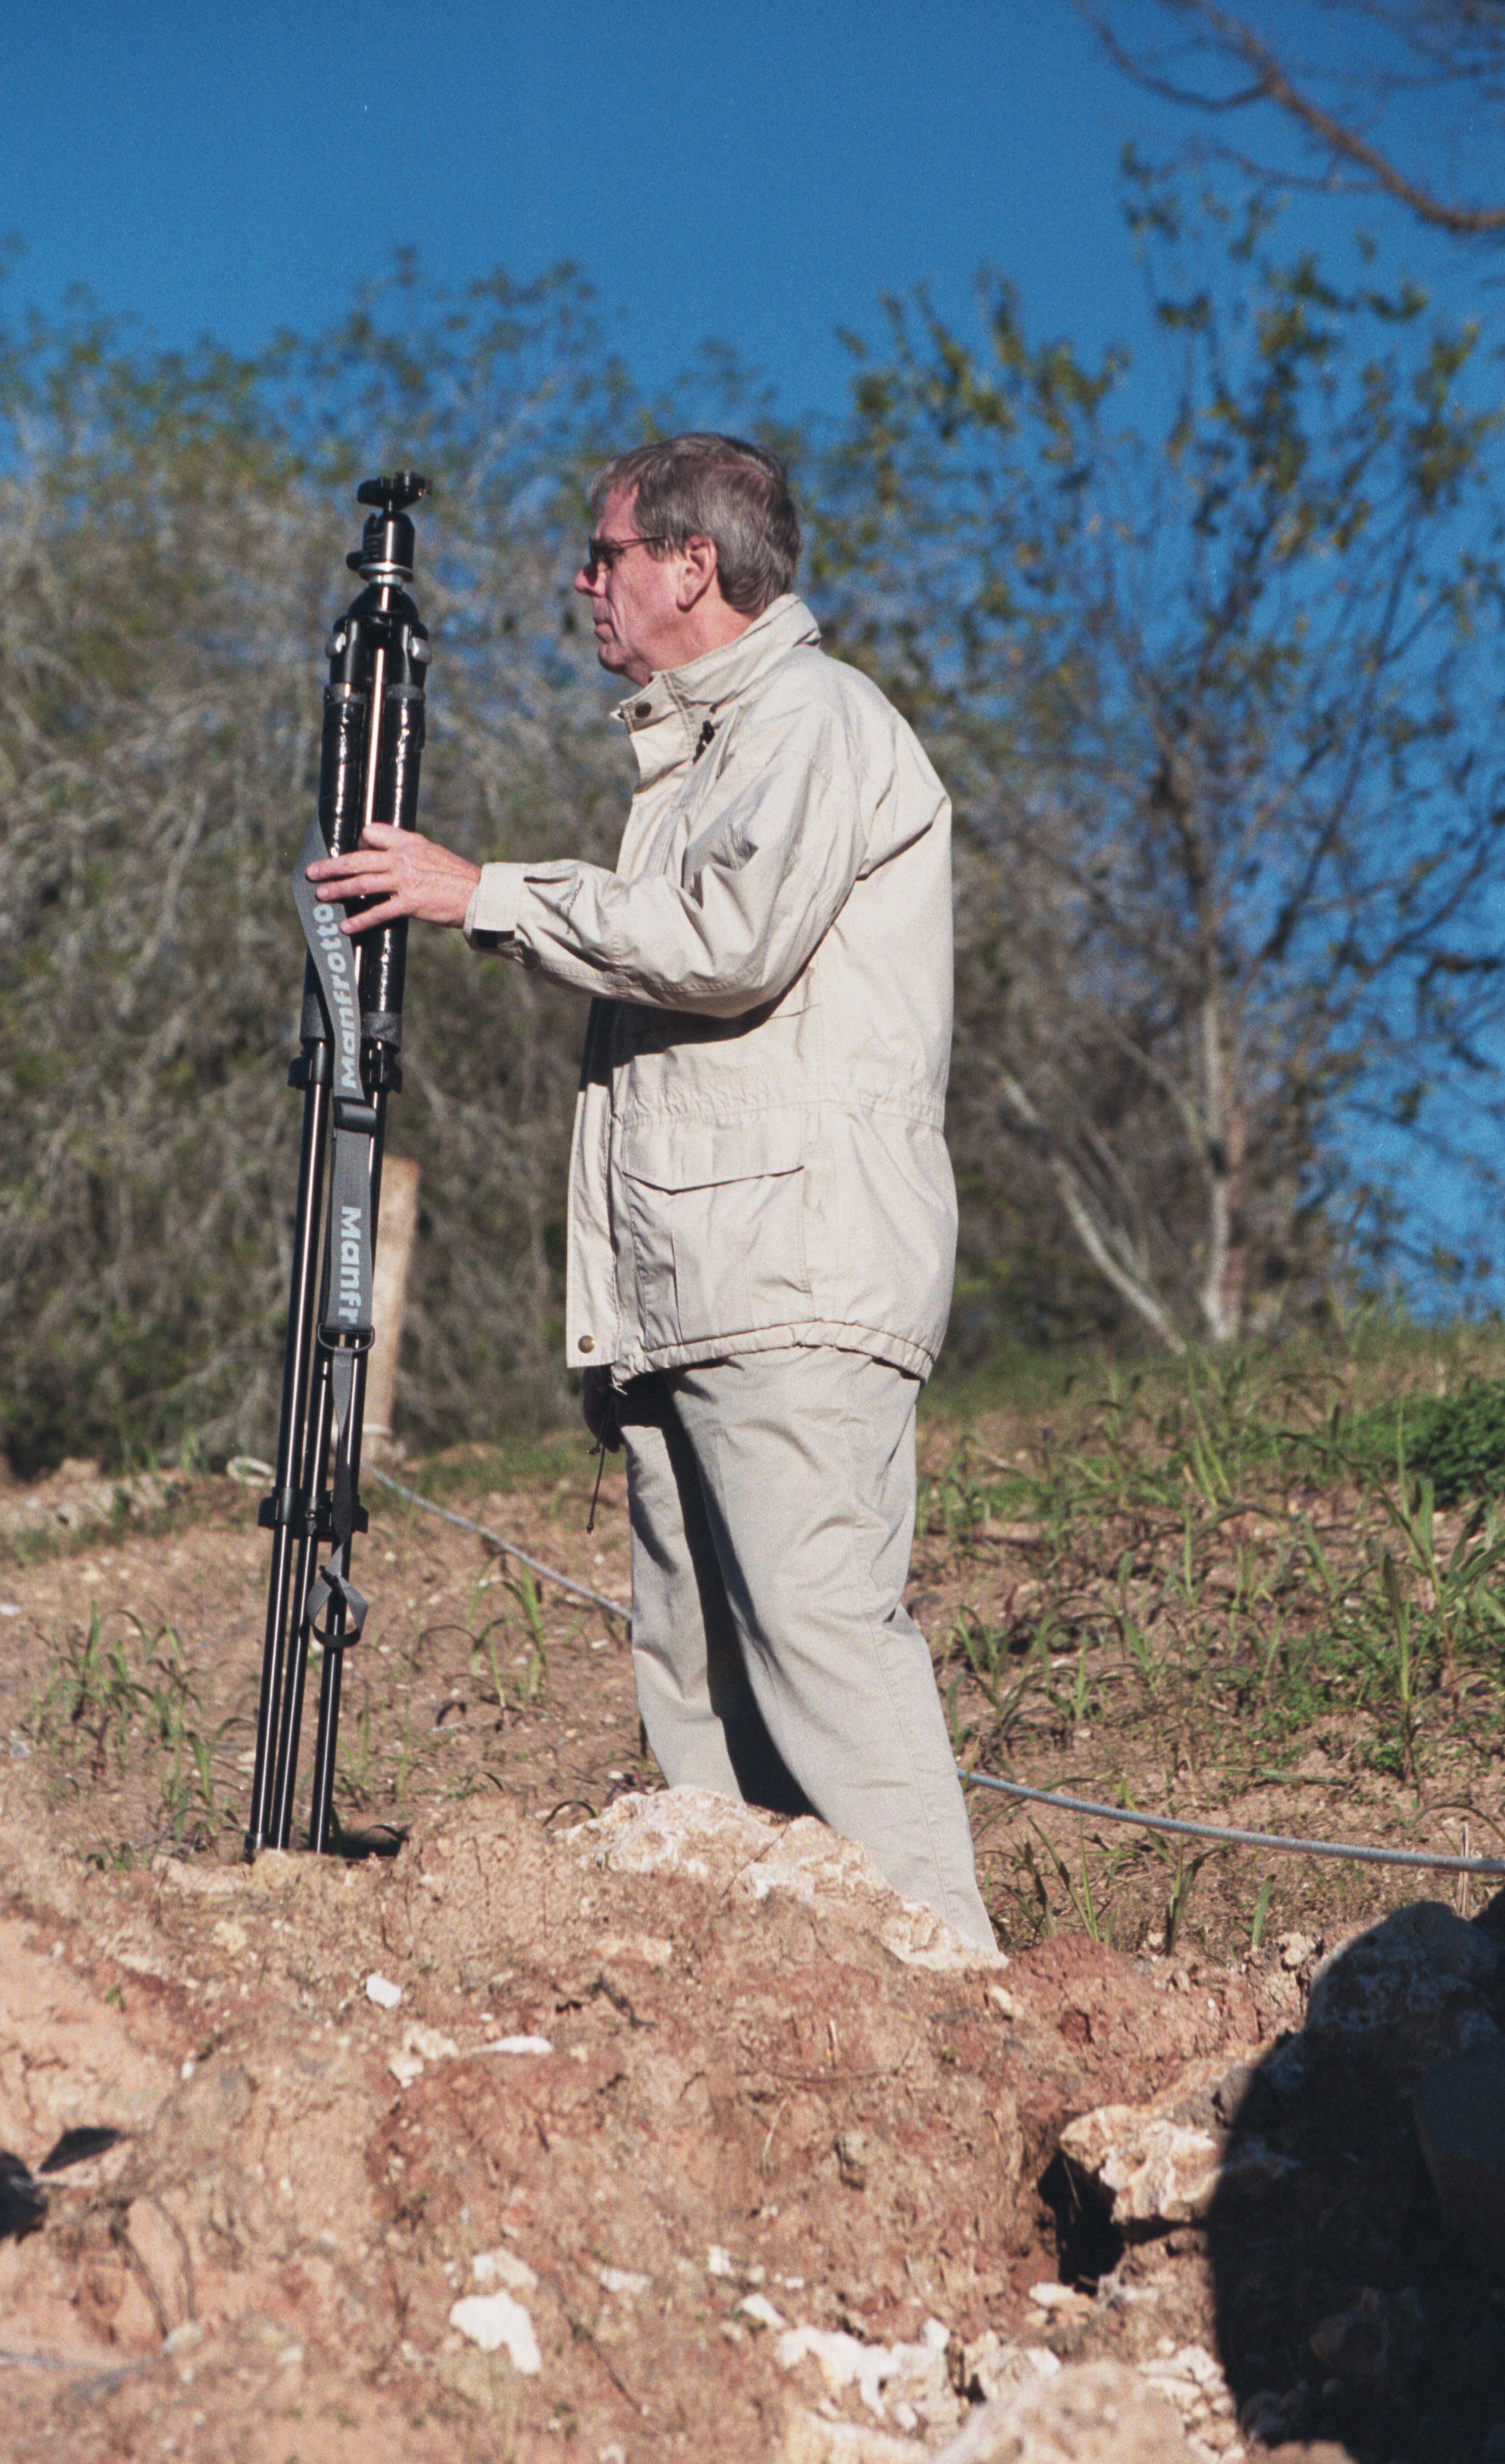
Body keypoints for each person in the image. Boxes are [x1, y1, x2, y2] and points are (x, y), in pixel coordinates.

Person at [307, 432, 1000, 1957]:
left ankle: (954, 2004)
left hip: (791, 1285)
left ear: (695, 565)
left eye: (603, 550)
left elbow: (724, 938)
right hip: (700, 1297)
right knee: (699, 1692)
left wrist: (480, 890)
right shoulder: (705, 754)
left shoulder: (813, 719)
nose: (582, 581)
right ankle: (778, 2017)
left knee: (817, 1648)